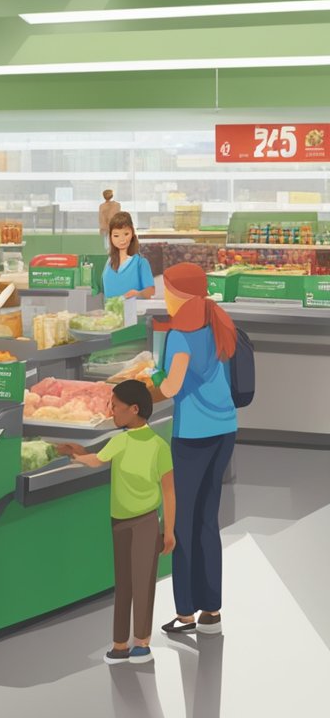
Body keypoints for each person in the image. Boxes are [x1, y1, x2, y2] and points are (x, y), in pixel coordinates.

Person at [58, 380, 176, 665]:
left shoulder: (158, 446)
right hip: (119, 521)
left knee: (143, 582)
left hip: (146, 520)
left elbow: (169, 490)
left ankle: (142, 643)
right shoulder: (118, 441)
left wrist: (169, 530)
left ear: (134, 409)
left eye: (115, 406)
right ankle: (120, 643)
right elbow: (96, 461)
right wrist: (74, 453)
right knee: (123, 583)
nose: (111, 411)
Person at [154, 262, 238, 637]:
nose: (165, 296)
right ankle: (212, 609)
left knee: (182, 522)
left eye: (167, 289)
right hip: (225, 429)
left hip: (192, 436)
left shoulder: (180, 333)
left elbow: (171, 387)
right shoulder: (218, 318)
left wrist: (145, 380)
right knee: (207, 518)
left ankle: (186, 612)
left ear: (179, 292)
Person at [102, 212, 156, 300]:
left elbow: (151, 291)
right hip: (112, 312)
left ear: (132, 233)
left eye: (126, 234)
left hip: (136, 312)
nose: (122, 240)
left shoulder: (140, 263)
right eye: (116, 235)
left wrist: (139, 293)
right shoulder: (109, 262)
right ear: (111, 237)